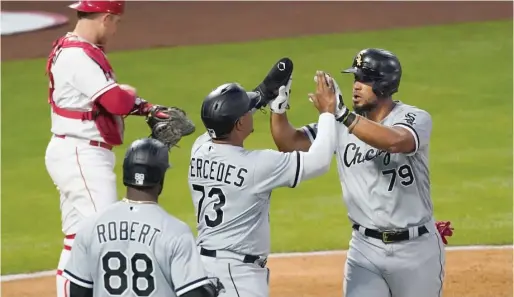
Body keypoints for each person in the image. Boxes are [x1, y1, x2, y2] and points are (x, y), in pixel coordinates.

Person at [268, 48, 451, 297]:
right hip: (365, 250)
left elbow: (396, 141)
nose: (356, 85)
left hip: (416, 249)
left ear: (384, 84)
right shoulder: (341, 125)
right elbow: (289, 143)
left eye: (364, 79)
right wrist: (278, 106)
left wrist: (342, 115)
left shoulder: (414, 117)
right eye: (355, 78)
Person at [44, 2, 171, 296]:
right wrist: (130, 94)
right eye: (116, 23)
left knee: (78, 238)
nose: (115, 30)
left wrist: (148, 108)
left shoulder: (79, 50)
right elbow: (115, 101)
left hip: (78, 152)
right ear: (106, 18)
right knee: (107, 235)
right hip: (81, 155)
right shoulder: (76, 56)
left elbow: (107, 99)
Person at [187, 73, 338, 297]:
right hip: (236, 275)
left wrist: (262, 94)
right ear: (239, 123)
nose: (251, 113)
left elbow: (222, 121)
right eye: (247, 111)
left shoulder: (199, 149)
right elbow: (319, 161)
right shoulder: (257, 166)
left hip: (203, 268)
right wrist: (328, 113)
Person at [62, 138, 225, 297]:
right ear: (161, 180)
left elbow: (78, 291)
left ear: (125, 174)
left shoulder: (90, 226)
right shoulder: (176, 232)